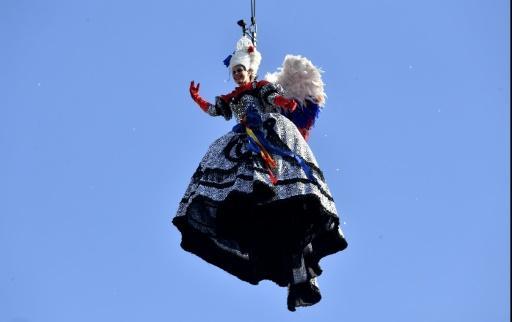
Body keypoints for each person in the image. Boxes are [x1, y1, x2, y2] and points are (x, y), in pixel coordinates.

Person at [172, 36, 347, 311]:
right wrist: (198, 100)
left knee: (266, 153)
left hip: (265, 130)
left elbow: (273, 97)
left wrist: (284, 104)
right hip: (244, 135)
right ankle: (250, 192)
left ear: (250, 71)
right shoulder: (234, 96)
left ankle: (267, 184)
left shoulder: (260, 87)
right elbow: (216, 109)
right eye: (235, 72)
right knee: (234, 156)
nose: (239, 75)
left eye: (241, 70)